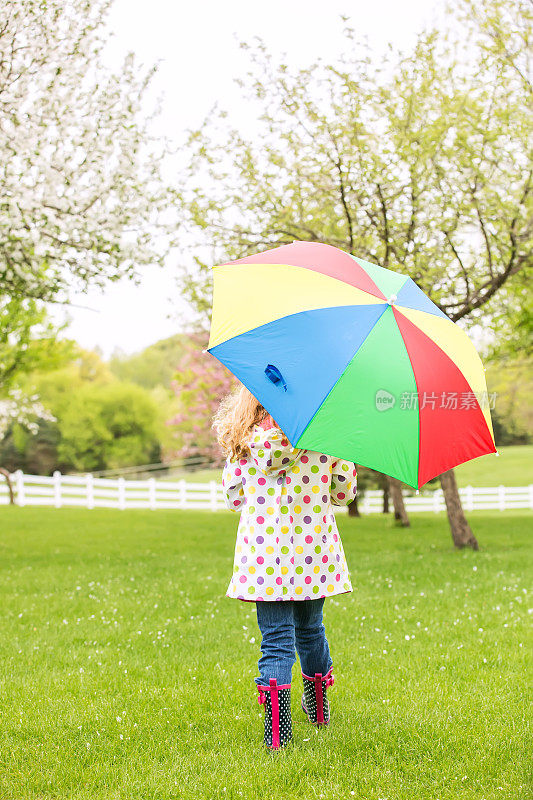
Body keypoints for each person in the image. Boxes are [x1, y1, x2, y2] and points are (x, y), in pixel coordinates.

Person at [212, 383, 357, 750]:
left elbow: (233, 497)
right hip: (313, 558)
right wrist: (341, 455)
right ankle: (319, 710)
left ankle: (278, 735)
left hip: (266, 562)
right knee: (311, 630)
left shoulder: (247, 440)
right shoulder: (324, 434)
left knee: (276, 641)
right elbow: (343, 494)